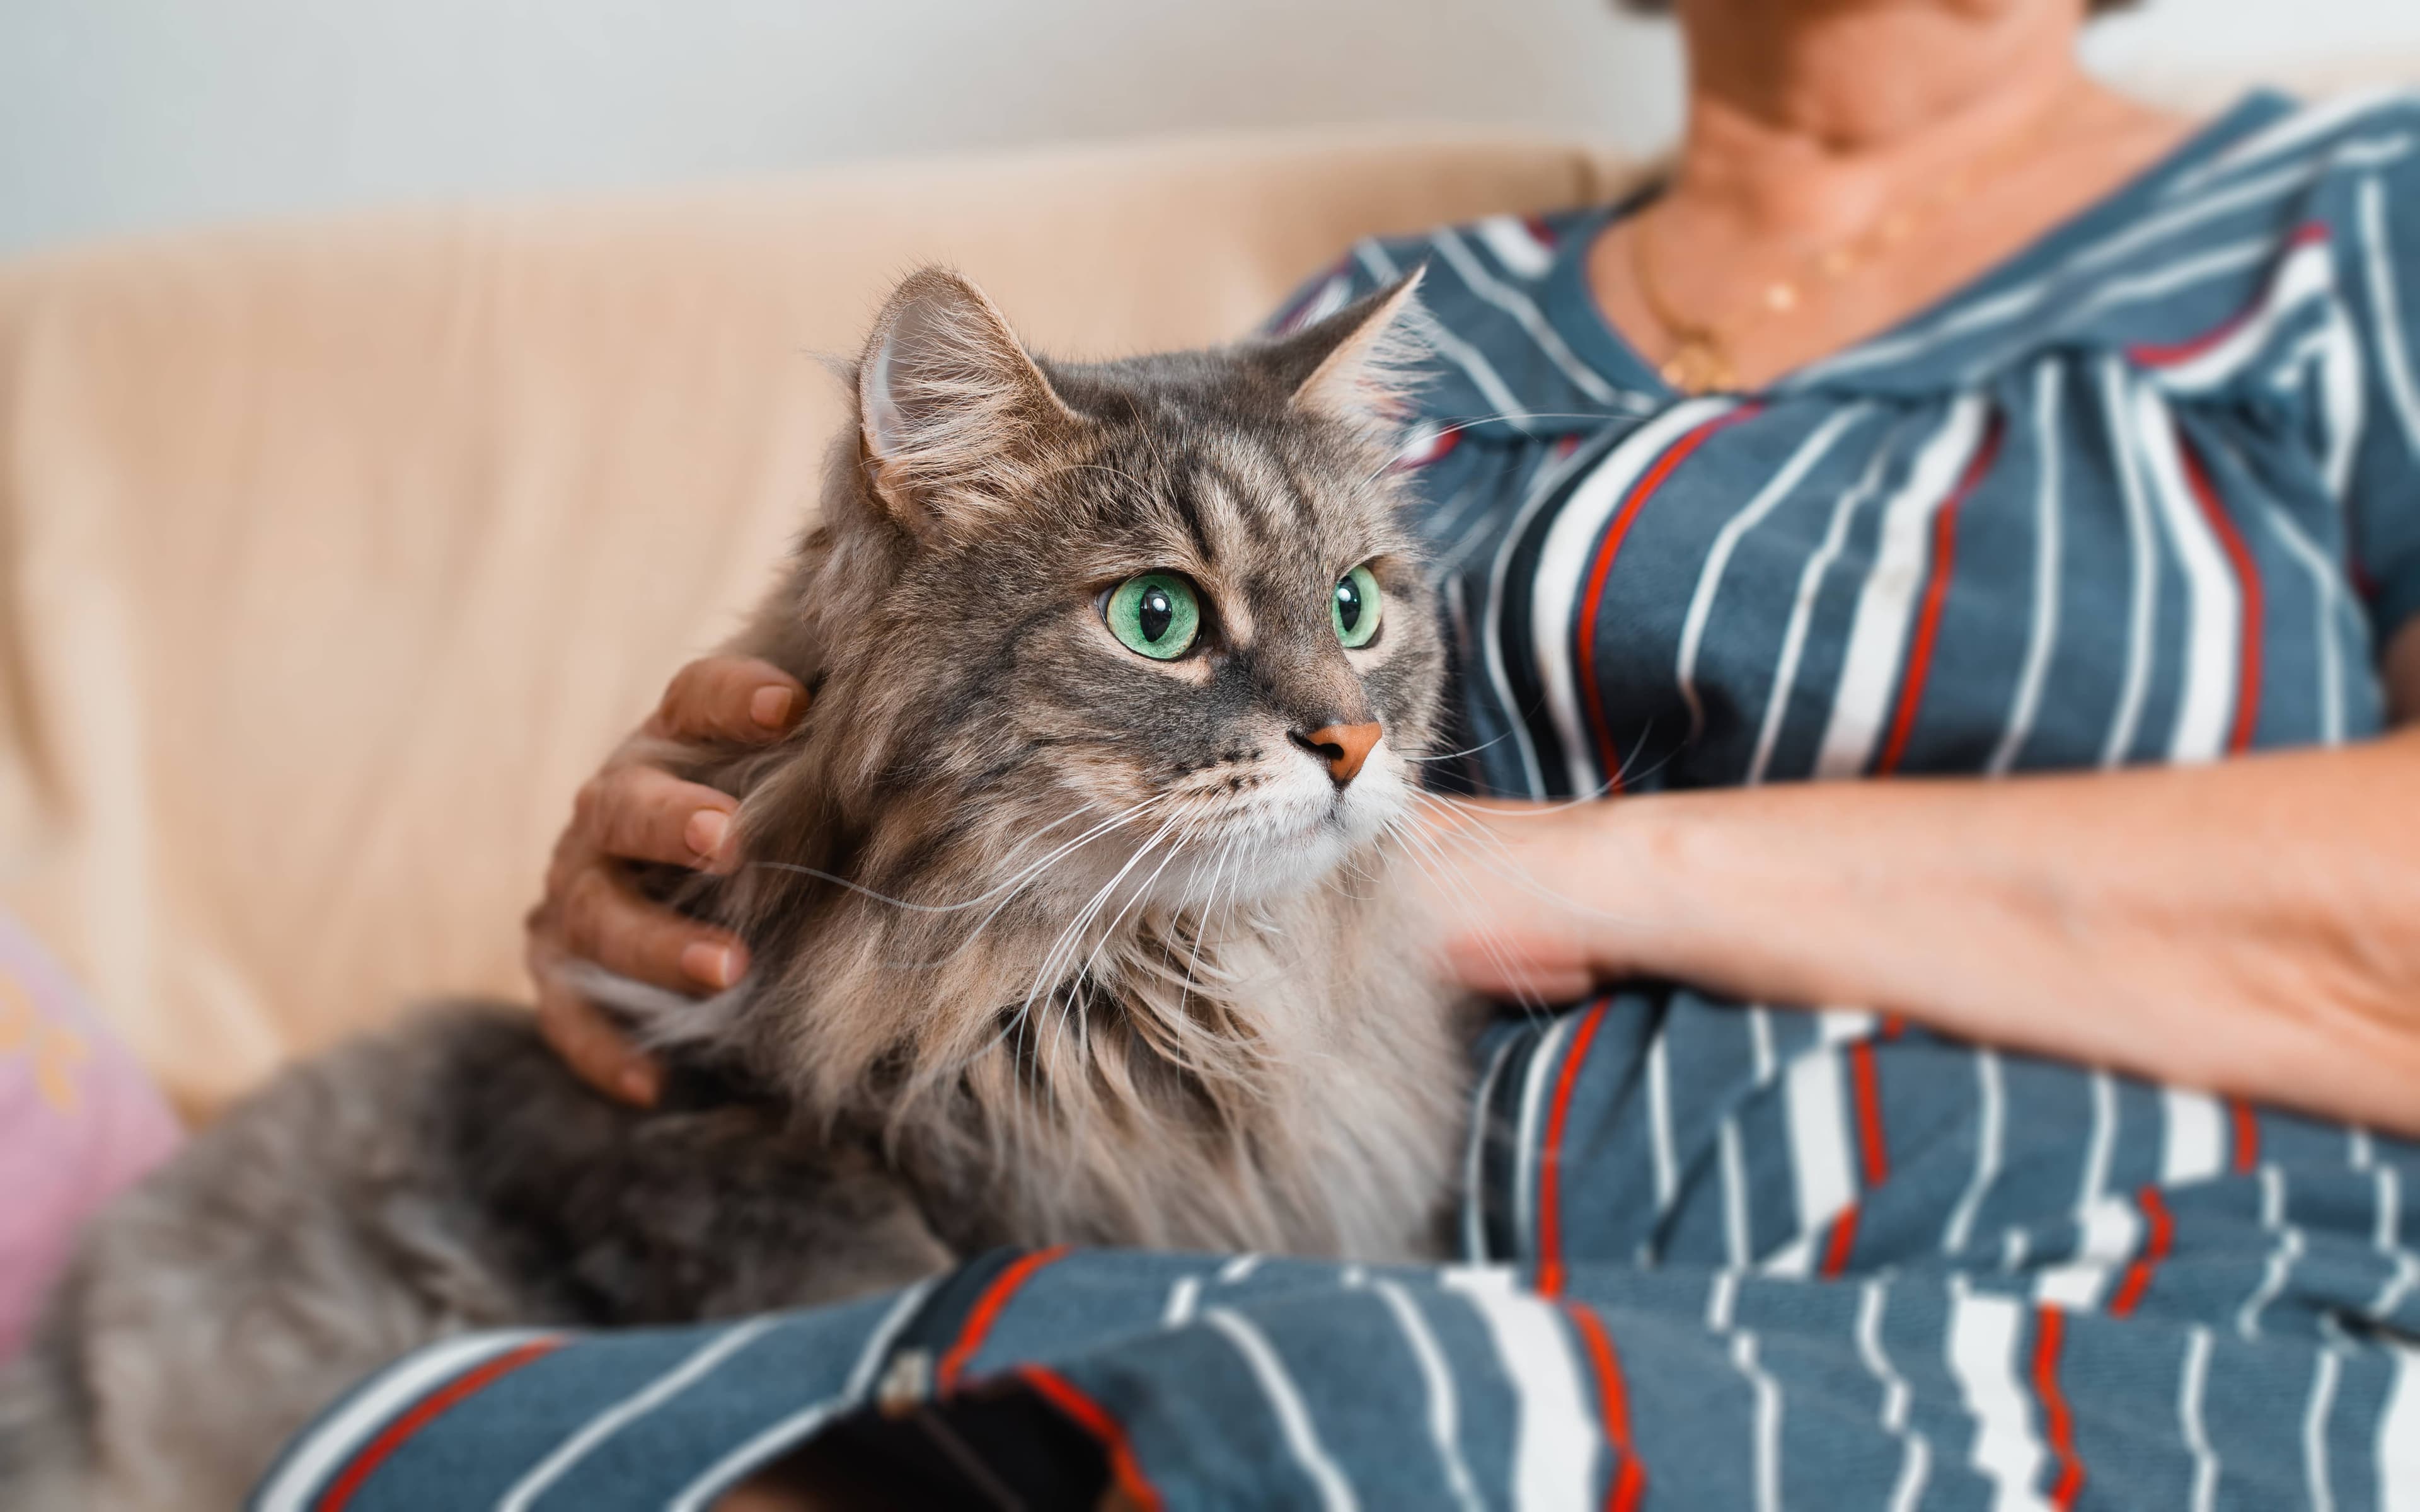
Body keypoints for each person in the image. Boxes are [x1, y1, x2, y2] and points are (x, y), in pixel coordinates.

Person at [435, 0, 2420, 1503]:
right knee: (463, 1415)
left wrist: (1578, 878)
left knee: (1280, 1417)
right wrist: (724, 883)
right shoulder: (1399, 314)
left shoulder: (2354, 229)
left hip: (2085, 1319)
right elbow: (978, 695)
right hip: (1321, 1307)